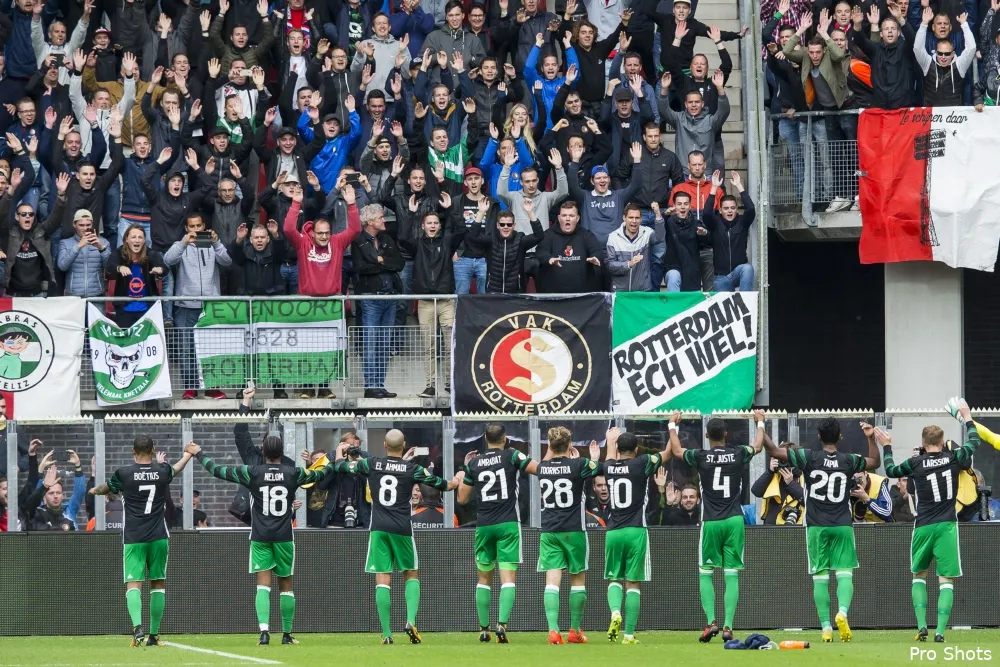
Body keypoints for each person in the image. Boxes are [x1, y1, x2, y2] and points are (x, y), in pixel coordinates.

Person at [186, 432, 335, 646]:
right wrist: (336, 459)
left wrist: (198, 453)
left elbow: (217, 470)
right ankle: (286, 634)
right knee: (286, 585)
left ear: (262, 451)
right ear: (281, 453)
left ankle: (264, 632)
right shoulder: (294, 473)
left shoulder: (252, 472)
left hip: (260, 536)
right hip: (284, 536)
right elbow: (321, 474)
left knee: (262, 586)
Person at [335, 429, 460, 644]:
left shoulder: (371, 464)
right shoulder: (412, 469)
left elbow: (341, 467)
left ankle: (386, 633)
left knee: (383, 579)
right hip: (402, 527)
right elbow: (442, 485)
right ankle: (411, 620)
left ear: (384, 444)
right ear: (403, 446)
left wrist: (340, 452)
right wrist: (456, 481)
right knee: (411, 573)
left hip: (379, 528)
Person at [764, 418, 881, 643]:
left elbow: (775, 451)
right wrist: (870, 437)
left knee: (820, 577)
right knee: (845, 572)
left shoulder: (809, 457)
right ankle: (843, 612)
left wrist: (762, 427)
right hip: (842, 525)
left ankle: (826, 627)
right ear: (840, 437)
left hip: (816, 526)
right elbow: (874, 461)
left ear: (819, 436)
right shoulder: (848, 460)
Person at [882, 398, 983, 643]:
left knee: (919, 575)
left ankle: (921, 627)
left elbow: (890, 471)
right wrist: (967, 417)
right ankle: (940, 632)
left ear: (924, 444)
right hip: (947, 525)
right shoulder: (954, 458)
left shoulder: (916, 463)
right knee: (945, 580)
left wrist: (886, 446)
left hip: (923, 526)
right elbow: (974, 441)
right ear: (941, 441)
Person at [89, 435, 195, 647]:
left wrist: (94, 490)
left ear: (132, 451)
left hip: (134, 537)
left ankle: (138, 628)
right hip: (158, 536)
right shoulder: (162, 471)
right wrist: (188, 454)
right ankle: (154, 636)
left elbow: (106, 488)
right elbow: (176, 468)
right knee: (157, 583)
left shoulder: (124, 474)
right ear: (154, 450)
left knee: (133, 583)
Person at [670, 410, 765, 642]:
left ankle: (711, 622)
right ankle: (728, 627)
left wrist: (673, 426)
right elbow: (758, 446)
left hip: (711, 520)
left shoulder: (701, 456)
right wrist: (760, 422)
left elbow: (676, 451)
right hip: (734, 520)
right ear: (726, 434)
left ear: (706, 435)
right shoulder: (739, 453)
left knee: (706, 572)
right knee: (731, 575)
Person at [457, 423, 539, 643]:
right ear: (505, 439)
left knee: (484, 577)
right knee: (508, 577)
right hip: (508, 524)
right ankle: (502, 625)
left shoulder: (474, 463)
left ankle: (484, 629)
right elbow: (537, 468)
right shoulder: (511, 455)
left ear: (485, 438)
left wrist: (466, 470)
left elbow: (462, 499)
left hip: (484, 525)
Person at [602, 426, 672, 644]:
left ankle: (615, 612)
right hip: (636, 531)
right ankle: (629, 634)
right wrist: (672, 427)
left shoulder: (608, 466)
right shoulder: (642, 463)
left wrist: (609, 441)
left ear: (617, 449)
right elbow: (669, 453)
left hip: (613, 531)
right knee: (633, 583)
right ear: (636, 449)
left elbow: (609, 459)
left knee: (614, 578)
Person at [537, 427, 602, 645]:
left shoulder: (543, 468)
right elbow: (596, 468)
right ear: (570, 444)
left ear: (549, 445)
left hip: (550, 531)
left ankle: (553, 631)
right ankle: (574, 631)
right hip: (574, 529)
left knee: (552, 582)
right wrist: (593, 457)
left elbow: (547, 461)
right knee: (577, 581)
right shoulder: (579, 464)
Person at [163, 213, 232, 400]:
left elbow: (227, 261)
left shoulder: (212, 245)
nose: (195, 230)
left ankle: (212, 388)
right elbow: (168, 260)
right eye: (191, 227)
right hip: (185, 306)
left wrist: (217, 243)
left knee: (212, 349)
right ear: (186, 228)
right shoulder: (181, 245)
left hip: (210, 307)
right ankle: (190, 388)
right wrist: (185, 242)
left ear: (204, 226)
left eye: (199, 226)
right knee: (186, 349)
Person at [351, 203, 404, 399]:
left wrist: (381, 261)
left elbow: (399, 263)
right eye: (381, 218)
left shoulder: (387, 239)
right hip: (370, 297)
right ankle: (370, 385)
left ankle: (380, 384)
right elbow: (360, 268)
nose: (384, 221)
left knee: (384, 343)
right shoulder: (358, 241)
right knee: (371, 343)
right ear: (370, 221)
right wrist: (382, 264)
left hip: (390, 296)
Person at [464, 206, 544, 294]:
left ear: (514, 226)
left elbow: (539, 235)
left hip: (515, 292)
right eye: (502, 224)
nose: (506, 227)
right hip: (493, 291)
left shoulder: (520, 240)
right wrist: (481, 212)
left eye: (509, 224)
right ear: (498, 225)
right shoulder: (491, 239)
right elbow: (472, 237)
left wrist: (530, 213)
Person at [534, 200, 604, 294]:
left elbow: (597, 251)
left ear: (577, 218)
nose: (567, 219)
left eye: (571, 216)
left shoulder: (586, 235)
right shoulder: (548, 235)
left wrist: (596, 258)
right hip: (553, 296)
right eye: (564, 215)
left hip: (582, 296)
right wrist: (548, 259)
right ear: (559, 218)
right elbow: (541, 251)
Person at [106, 225, 168, 328]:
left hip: (148, 310)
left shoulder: (151, 254)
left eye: (140, 237)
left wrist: (160, 270)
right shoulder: (118, 253)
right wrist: (119, 268)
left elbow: (164, 268)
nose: (137, 240)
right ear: (126, 239)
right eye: (133, 237)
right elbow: (109, 266)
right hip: (124, 309)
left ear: (144, 240)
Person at [703, 170, 755, 292]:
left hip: (737, 272)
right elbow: (706, 213)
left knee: (747, 268)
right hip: (721, 277)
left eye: (732, 208)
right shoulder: (715, 223)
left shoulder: (742, 222)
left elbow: (751, 209)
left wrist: (739, 186)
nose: (730, 211)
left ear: (736, 209)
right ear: (720, 210)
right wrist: (714, 188)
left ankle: (744, 302)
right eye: (726, 208)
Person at [607, 203, 663, 292]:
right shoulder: (613, 237)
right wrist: (628, 264)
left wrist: (658, 214)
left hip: (642, 290)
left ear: (641, 219)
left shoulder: (647, 232)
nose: (634, 221)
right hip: (620, 292)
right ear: (624, 218)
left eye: (637, 218)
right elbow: (610, 266)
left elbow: (660, 238)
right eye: (630, 217)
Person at [662, 191, 710, 292]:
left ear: (690, 206)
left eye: (686, 204)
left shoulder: (696, 223)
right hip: (673, 268)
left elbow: (708, 242)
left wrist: (704, 234)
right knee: (674, 277)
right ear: (674, 206)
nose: (683, 207)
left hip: (692, 271)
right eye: (679, 204)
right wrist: (665, 215)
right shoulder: (669, 222)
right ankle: (674, 308)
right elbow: (659, 230)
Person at [58, 209, 112, 297]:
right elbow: (62, 266)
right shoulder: (65, 243)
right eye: (81, 225)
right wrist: (79, 246)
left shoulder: (103, 242)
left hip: (96, 295)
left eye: (88, 225)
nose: (85, 228)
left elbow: (110, 268)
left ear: (92, 224)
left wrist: (101, 248)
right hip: (74, 296)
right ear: (74, 224)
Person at [751, 446, 805, 525]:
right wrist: (770, 471)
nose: (785, 462)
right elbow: (756, 491)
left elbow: (808, 501)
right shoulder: (773, 475)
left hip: (795, 527)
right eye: (781, 459)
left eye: (787, 459)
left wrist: (791, 483)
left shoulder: (802, 476)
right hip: (771, 528)